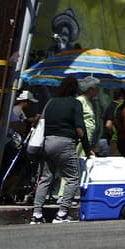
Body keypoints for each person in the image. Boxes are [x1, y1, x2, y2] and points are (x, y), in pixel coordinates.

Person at [30, 75, 88, 224]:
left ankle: (36, 214)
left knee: (45, 178)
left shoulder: (50, 102)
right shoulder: (75, 104)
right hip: (65, 143)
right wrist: (88, 148)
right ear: (75, 89)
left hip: (47, 143)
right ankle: (61, 213)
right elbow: (80, 129)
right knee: (72, 178)